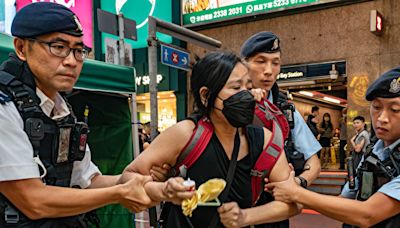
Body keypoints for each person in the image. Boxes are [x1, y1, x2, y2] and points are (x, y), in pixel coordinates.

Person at [0, 3, 191, 227]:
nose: (71, 61)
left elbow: (89, 181)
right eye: (58, 47)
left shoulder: (63, 111)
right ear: (21, 48)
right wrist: (121, 192)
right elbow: (32, 200)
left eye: (79, 51)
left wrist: (143, 184)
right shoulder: (5, 105)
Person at [122, 52, 299, 227]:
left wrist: (246, 216)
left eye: (248, 86)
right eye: (236, 88)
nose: (246, 95)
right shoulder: (185, 134)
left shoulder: (264, 141)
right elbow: (128, 178)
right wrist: (162, 190)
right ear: (206, 95)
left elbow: (293, 203)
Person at [266, 66, 400, 227]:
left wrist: (296, 192)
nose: (382, 118)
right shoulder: (372, 152)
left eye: (395, 109)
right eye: (377, 107)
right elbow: (343, 202)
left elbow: (368, 214)